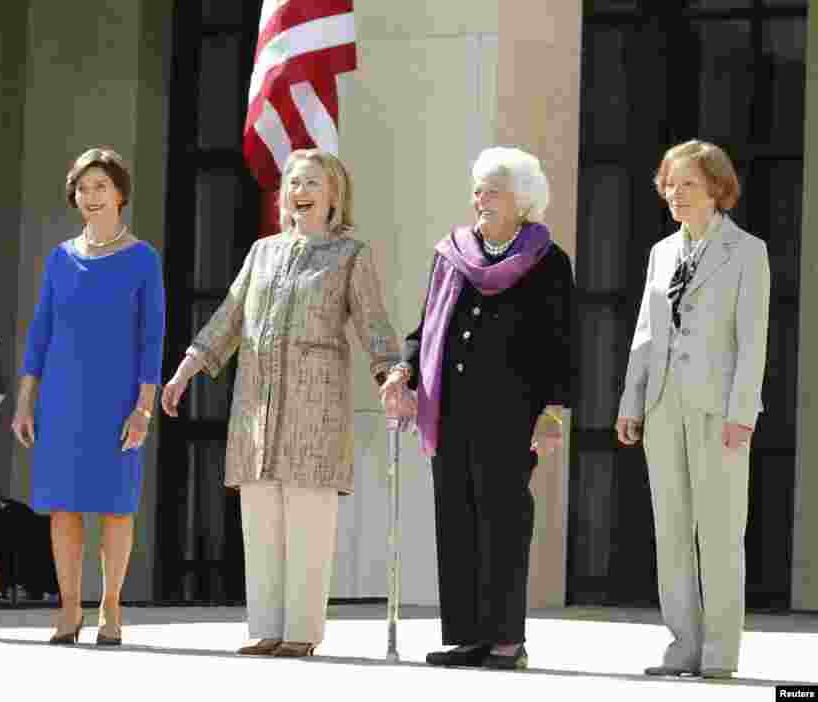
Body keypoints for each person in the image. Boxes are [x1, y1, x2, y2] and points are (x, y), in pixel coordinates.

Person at [161, 149, 399, 658]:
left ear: (334, 194)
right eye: (293, 183)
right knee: (261, 520)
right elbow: (228, 316)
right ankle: (265, 626)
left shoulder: (350, 253)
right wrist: (186, 370)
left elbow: (373, 322)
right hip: (255, 408)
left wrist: (390, 373)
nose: (300, 192)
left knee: (308, 523)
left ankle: (302, 632)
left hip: (314, 410)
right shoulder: (262, 251)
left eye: (312, 182)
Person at [382, 146, 574, 670]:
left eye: (492, 190)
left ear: (523, 200)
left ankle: (507, 639)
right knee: (458, 519)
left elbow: (562, 343)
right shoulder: (453, 254)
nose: (480, 199)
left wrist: (553, 412)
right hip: (450, 411)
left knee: (504, 521)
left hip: (512, 413)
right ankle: (469, 635)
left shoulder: (547, 260)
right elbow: (424, 330)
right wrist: (403, 371)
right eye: (477, 189)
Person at [616, 140, 769, 680]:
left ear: (717, 190)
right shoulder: (661, 252)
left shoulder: (747, 252)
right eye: (670, 184)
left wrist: (741, 415)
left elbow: (753, 341)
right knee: (672, 530)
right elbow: (644, 333)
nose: (675, 194)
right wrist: (631, 401)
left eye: (688, 184)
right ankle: (683, 644)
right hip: (663, 407)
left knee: (721, 532)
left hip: (719, 411)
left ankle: (719, 654)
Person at [12, 147, 165, 646]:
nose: (92, 196)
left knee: (116, 506)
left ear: (120, 193)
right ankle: (69, 607)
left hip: (119, 400)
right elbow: (40, 332)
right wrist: (24, 400)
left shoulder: (143, 259)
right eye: (83, 188)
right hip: (62, 398)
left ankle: (112, 606)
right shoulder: (60, 258)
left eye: (101, 186)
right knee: (64, 506)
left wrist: (143, 407)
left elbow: (151, 338)